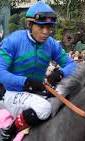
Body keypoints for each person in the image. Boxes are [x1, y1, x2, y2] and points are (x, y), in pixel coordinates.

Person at [0, 1, 76, 140]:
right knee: (44, 108)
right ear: (29, 25)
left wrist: (60, 73)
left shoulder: (51, 44)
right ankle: (7, 132)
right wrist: (26, 82)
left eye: (49, 27)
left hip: (36, 92)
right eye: (41, 27)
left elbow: (72, 64)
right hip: (10, 93)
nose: (46, 32)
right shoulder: (13, 41)